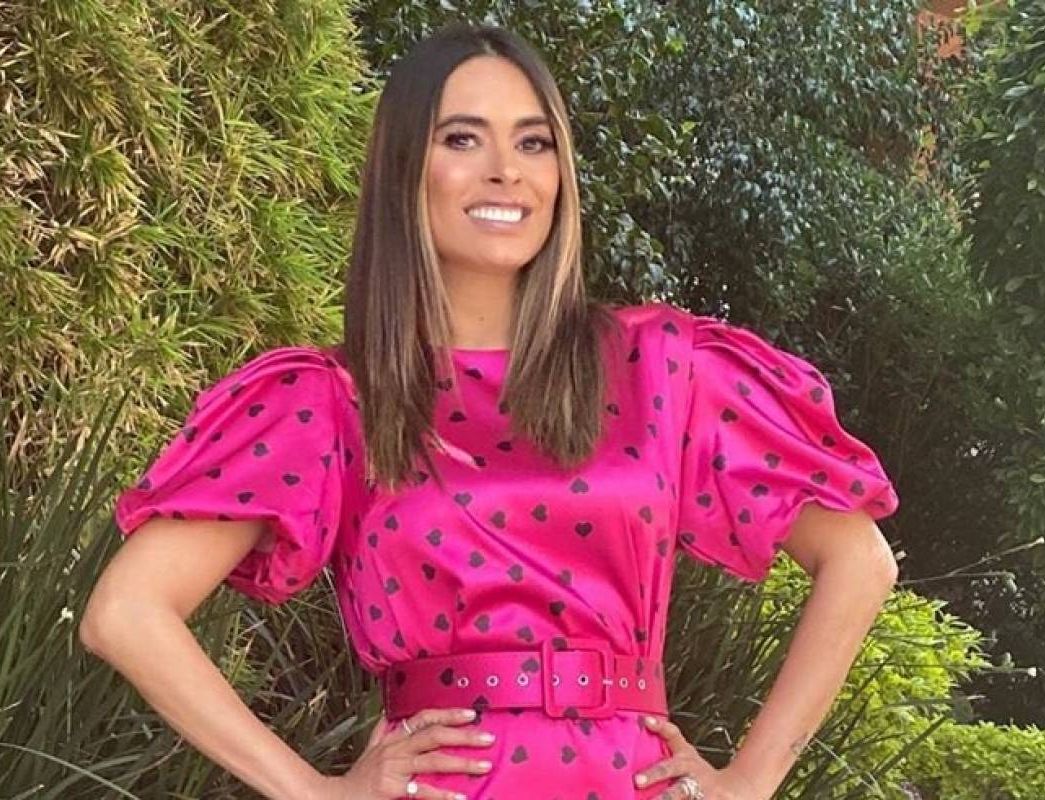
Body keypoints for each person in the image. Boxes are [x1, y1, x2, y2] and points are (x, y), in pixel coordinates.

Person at [80, 23, 901, 800]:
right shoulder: (332, 400)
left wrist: (751, 780)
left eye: (534, 142)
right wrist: (313, 790)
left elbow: (859, 560)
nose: (506, 170)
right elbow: (127, 612)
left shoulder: (661, 368)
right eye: (462, 139)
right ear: (405, 168)